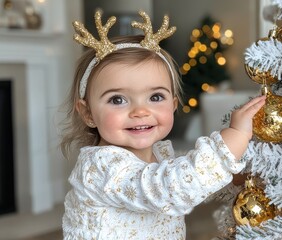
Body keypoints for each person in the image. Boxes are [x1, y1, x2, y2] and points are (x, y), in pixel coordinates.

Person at [61, 10, 266, 239]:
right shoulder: (101, 167)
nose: (140, 111)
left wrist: (233, 177)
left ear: (174, 104)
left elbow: (185, 175)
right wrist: (233, 139)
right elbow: (172, 188)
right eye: (117, 99)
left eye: (155, 97)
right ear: (87, 113)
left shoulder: (158, 154)